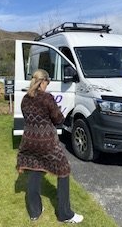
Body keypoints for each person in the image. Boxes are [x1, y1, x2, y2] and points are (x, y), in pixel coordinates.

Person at [16, 69, 83, 224]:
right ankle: (65, 214)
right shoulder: (47, 98)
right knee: (64, 170)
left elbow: (28, 118)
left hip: (29, 142)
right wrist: (61, 114)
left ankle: (34, 212)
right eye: (48, 82)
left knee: (34, 169)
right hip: (46, 143)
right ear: (43, 81)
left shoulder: (25, 99)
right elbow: (58, 119)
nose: (48, 85)